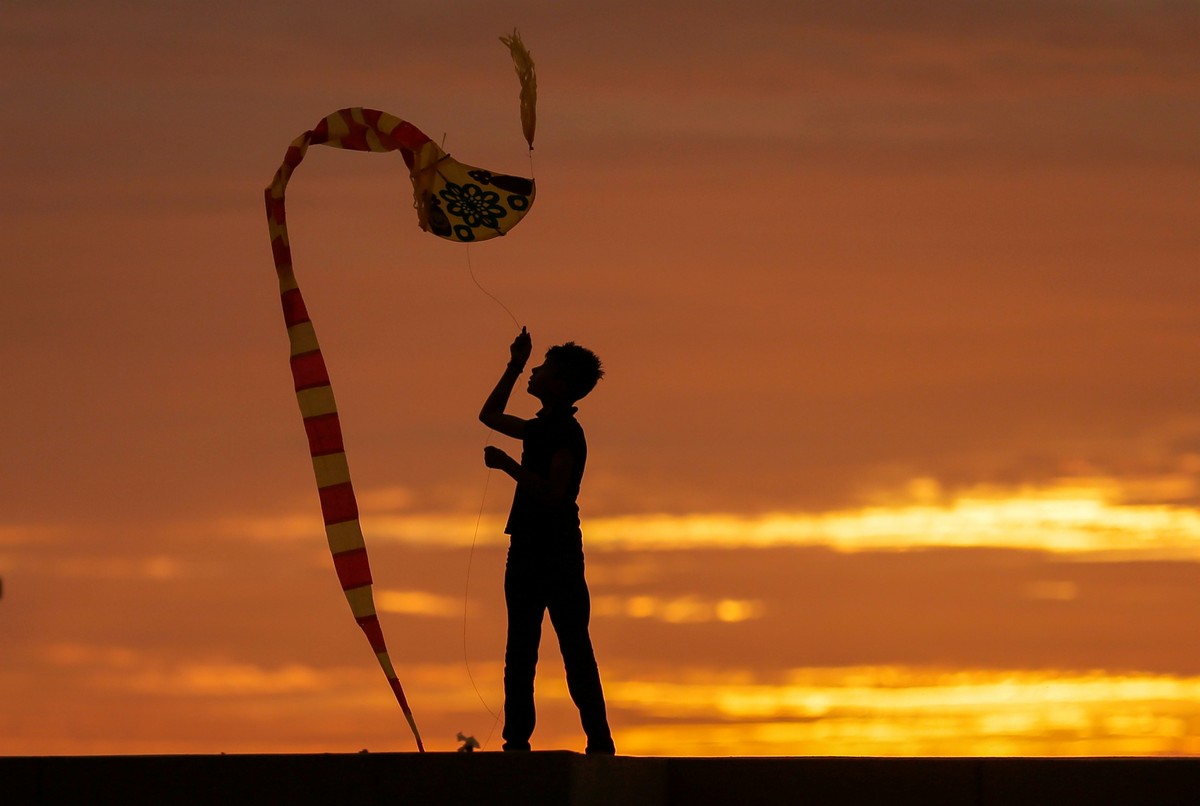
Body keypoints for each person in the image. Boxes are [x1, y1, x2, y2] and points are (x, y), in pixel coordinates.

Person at [479, 326, 616, 754]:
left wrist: (507, 467)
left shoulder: (566, 435)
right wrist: (514, 363)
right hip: (524, 547)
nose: (533, 373)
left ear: (557, 384)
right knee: (520, 650)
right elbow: (490, 416)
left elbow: (557, 494)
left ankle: (600, 743)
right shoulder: (542, 428)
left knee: (573, 646)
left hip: (555, 551)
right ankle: (517, 743)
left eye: (540, 368)